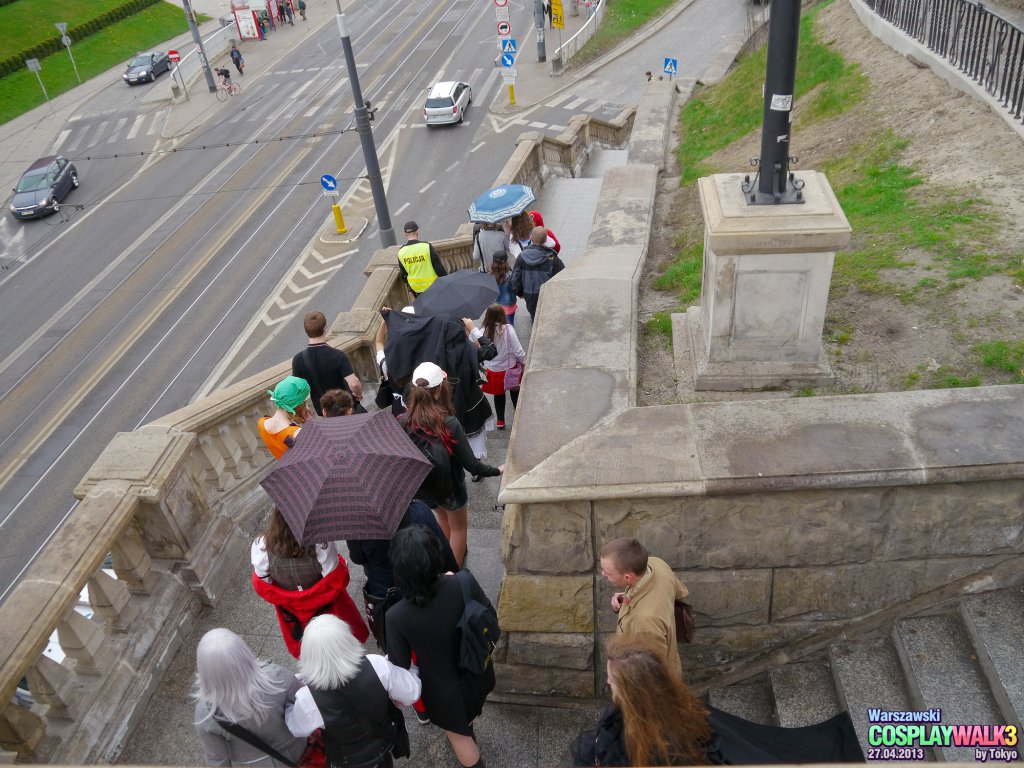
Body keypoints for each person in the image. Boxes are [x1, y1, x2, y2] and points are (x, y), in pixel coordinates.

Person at [571, 635, 865, 766]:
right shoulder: (670, 705)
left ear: (636, 691)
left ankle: (902, 741)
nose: (607, 682)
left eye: (613, 679)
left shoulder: (664, 743)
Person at [386, 526, 496, 768]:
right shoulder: (464, 581)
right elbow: (491, 616)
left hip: (445, 696)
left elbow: (399, 666)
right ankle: (469, 724)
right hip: (478, 672)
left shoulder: (396, 617)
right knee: (468, 718)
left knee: (460, 738)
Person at [400, 362, 501, 567]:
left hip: (425, 488)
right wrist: (497, 470)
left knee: (443, 520)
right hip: (451, 488)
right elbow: (472, 465)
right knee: (459, 528)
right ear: (439, 390)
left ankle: (442, 560)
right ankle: (452, 573)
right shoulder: (449, 424)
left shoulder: (403, 420)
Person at [290, 615, 420, 768]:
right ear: (347, 638)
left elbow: (296, 728)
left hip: (346, 759)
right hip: (383, 743)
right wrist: (410, 668)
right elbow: (412, 693)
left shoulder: (307, 698)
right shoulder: (377, 665)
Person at [251, 508, 369, 658]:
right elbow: (333, 577)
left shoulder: (261, 546)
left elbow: (263, 582)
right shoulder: (321, 542)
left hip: (291, 610)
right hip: (326, 605)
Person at [347, 500, 458, 651]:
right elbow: (443, 551)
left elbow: (357, 558)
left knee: (395, 636)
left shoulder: (356, 527)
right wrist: (455, 576)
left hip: (384, 590)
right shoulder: (420, 511)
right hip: (425, 582)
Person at [193, 628, 307, 767]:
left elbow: (218, 761)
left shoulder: (206, 713)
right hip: (299, 752)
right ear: (243, 652)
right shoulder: (277, 677)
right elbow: (309, 702)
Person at [599, 537, 689, 677]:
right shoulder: (656, 564)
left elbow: (652, 673)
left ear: (628, 577)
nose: (602, 573)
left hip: (650, 689)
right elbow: (679, 592)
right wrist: (628, 596)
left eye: (607, 572)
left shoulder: (645, 622)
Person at [292, 311, 363, 417]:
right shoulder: (338, 355)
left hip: (323, 410)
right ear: (325, 329)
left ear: (306, 331)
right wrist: (358, 394)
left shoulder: (298, 360)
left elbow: (297, 392)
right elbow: (354, 383)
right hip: (344, 407)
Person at [479, 304, 525, 430]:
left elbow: (480, 351)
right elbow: (518, 350)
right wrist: (523, 362)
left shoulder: (482, 331)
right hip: (510, 367)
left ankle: (500, 420)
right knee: (515, 392)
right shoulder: (508, 329)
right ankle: (518, 417)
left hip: (494, 371)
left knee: (498, 395)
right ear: (501, 315)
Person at [509, 226, 565, 319]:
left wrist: (519, 292)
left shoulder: (522, 257)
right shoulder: (552, 258)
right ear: (545, 240)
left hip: (529, 294)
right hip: (546, 295)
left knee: (534, 316)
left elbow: (515, 278)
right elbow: (562, 277)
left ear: (531, 238)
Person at [258, 376, 310, 460]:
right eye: (305, 402)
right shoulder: (296, 433)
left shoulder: (262, 423)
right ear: (299, 404)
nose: (307, 407)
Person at [397, 220, 447, 296]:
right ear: (417, 231)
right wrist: (446, 281)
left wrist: (410, 288)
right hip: (433, 286)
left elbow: (404, 274)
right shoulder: (426, 246)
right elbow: (438, 267)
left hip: (416, 288)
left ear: (405, 234)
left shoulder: (401, 252)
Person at [490, 252, 518, 326]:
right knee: (509, 326)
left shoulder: (489, 276)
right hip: (509, 304)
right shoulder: (511, 275)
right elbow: (516, 288)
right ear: (506, 261)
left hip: (495, 306)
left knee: (497, 326)